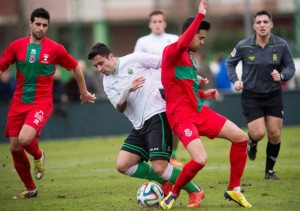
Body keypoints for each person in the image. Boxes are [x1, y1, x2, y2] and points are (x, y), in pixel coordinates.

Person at [87, 42, 205, 208]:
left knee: (160, 167)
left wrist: (193, 77)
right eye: (95, 66)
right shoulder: (107, 82)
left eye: (101, 63)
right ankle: (164, 182)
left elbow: (167, 63)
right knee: (123, 165)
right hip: (139, 126)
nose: (99, 68)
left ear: (111, 56)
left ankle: (195, 190)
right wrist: (127, 90)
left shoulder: (135, 59)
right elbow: (119, 107)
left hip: (157, 116)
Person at [159, 0, 252, 209]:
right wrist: (199, 15)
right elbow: (182, 43)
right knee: (200, 159)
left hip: (198, 112)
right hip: (180, 117)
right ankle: (174, 193)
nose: (202, 42)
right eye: (199, 37)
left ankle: (234, 190)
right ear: (189, 35)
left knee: (241, 138)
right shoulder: (171, 52)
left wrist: (203, 93)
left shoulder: (191, 60)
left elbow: (183, 89)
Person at [0, 8, 96, 199]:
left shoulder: (55, 49)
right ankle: (31, 188)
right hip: (18, 102)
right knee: (14, 147)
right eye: (38, 24)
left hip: (41, 102)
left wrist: (83, 91)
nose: (41, 28)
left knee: (25, 139)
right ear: (30, 24)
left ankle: (38, 155)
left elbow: (75, 66)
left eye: (45, 25)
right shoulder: (16, 46)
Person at [226, 10, 295, 179]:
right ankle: (252, 141)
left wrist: (282, 76)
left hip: (273, 94)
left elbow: (290, 67)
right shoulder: (243, 45)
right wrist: (235, 80)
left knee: (275, 134)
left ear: (271, 24)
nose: (262, 25)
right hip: (251, 95)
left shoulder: (281, 44)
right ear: (253, 26)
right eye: (259, 22)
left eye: (265, 22)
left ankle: (269, 172)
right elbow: (229, 63)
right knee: (258, 133)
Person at [134, 10, 183, 167]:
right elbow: (136, 64)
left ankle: (173, 155)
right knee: (151, 123)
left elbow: (182, 62)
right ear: (150, 24)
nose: (157, 24)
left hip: (171, 87)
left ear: (165, 23)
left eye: (160, 21)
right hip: (151, 89)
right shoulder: (142, 42)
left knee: (174, 122)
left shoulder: (174, 39)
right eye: (154, 21)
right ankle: (150, 154)